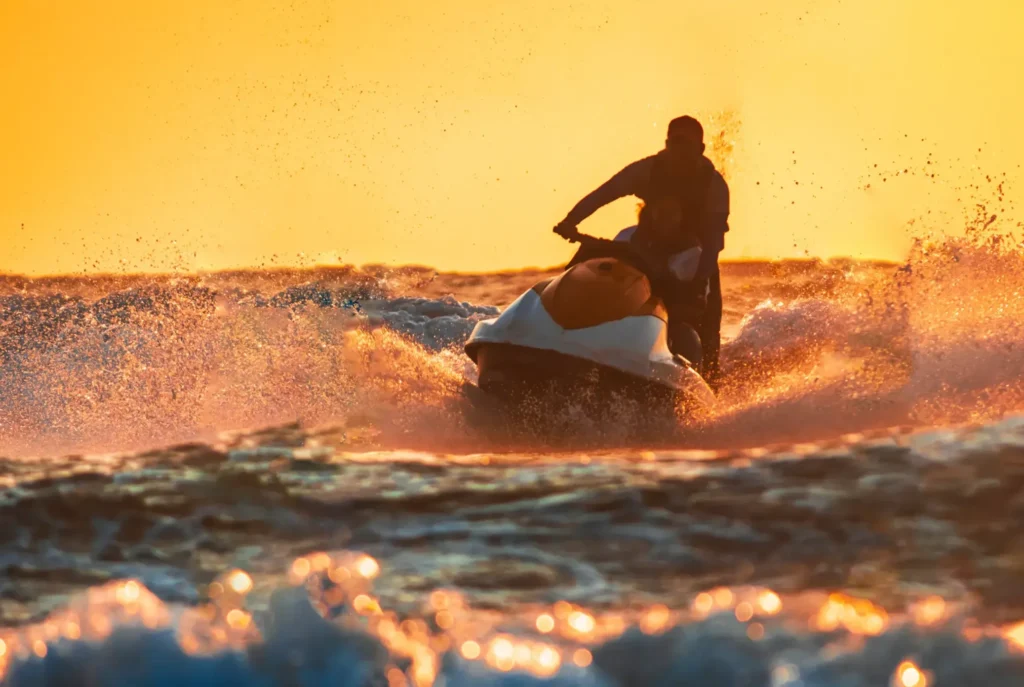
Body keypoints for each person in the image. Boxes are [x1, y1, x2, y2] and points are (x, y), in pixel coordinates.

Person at [551, 115, 729, 387]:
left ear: (701, 149)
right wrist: (570, 221)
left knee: (704, 323)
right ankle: (562, 337)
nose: (679, 151)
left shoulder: (714, 185)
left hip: (695, 257)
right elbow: (604, 193)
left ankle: (706, 387)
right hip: (647, 249)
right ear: (667, 143)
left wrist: (696, 287)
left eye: (687, 145)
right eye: (675, 142)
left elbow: (713, 246)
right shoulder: (648, 170)